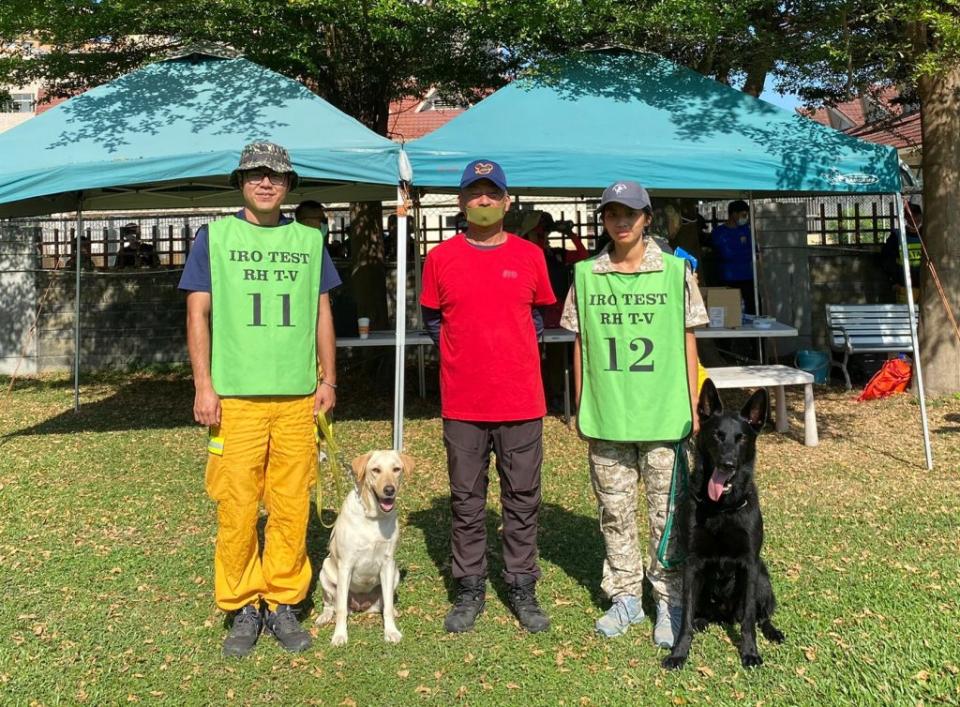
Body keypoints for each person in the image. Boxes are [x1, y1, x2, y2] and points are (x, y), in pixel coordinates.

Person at [178, 141, 341, 658]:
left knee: (291, 505)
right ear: (241, 182)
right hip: (236, 400)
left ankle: (283, 600)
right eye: (255, 174)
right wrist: (204, 385)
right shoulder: (215, 237)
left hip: (296, 398)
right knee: (238, 505)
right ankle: (244, 603)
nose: (265, 182)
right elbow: (197, 314)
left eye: (275, 175)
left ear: (289, 185)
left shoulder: (310, 240)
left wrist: (329, 380)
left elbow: (321, 313)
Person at [560, 180, 708, 647]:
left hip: (664, 414)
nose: (621, 221)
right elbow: (580, 341)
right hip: (608, 415)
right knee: (614, 512)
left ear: (647, 218)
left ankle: (669, 599)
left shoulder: (674, 271)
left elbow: (688, 338)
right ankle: (625, 596)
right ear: (602, 220)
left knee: (668, 516)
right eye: (611, 214)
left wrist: (692, 400)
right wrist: (581, 403)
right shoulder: (586, 274)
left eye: (630, 213)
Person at [420, 159, 556, 635]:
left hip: (521, 401)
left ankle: (521, 583)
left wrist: (507, 356)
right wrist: (468, 357)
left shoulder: (530, 256)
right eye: (474, 194)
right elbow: (433, 321)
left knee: (522, 498)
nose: (482, 201)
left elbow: (540, 318)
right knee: (466, 500)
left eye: (491, 194)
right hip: (463, 403)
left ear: (506, 202)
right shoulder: (440, 258)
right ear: (461, 202)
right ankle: (470, 585)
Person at [709, 200, 755, 313]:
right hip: (727, 279)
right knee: (729, 310)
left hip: (747, 277)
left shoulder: (747, 230)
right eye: (743, 215)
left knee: (751, 309)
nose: (746, 218)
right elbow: (726, 254)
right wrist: (745, 254)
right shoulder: (719, 232)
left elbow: (754, 251)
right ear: (734, 214)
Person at [881, 201, 923, 304]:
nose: (913, 219)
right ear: (905, 218)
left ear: (921, 216)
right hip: (904, 286)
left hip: (926, 286)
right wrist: (894, 282)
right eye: (909, 216)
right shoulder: (896, 237)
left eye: (916, 215)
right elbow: (887, 260)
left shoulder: (929, 234)